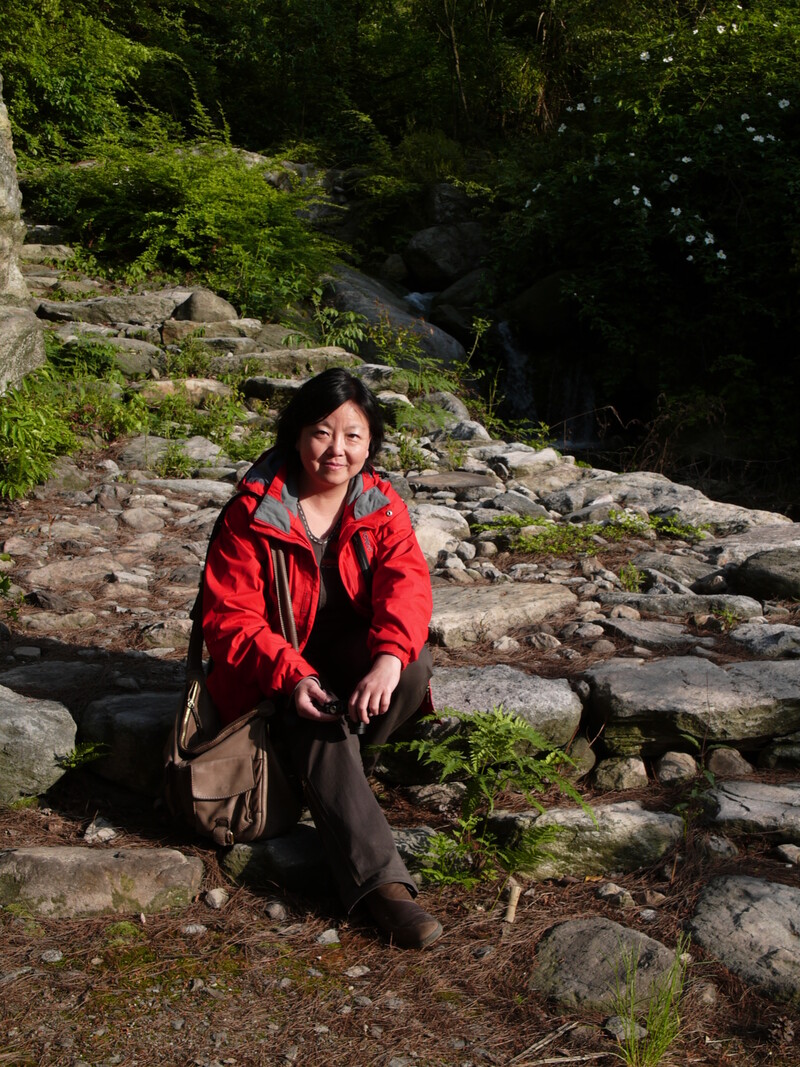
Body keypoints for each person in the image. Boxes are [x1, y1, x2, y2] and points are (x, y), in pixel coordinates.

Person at [201, 367, 443, 949]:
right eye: (321, 432)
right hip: (274, 672)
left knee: (410, 665)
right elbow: (230, 617)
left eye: (353, 436)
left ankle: (347, 771)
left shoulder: (381, 505)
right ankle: (384, 889)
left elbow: (407, 588)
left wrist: (387, 658)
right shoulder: (254, 512)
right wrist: (295, 676)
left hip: (345, 658)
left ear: (370, 444)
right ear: (296, 435)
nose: (337, 450)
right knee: (317, 721)